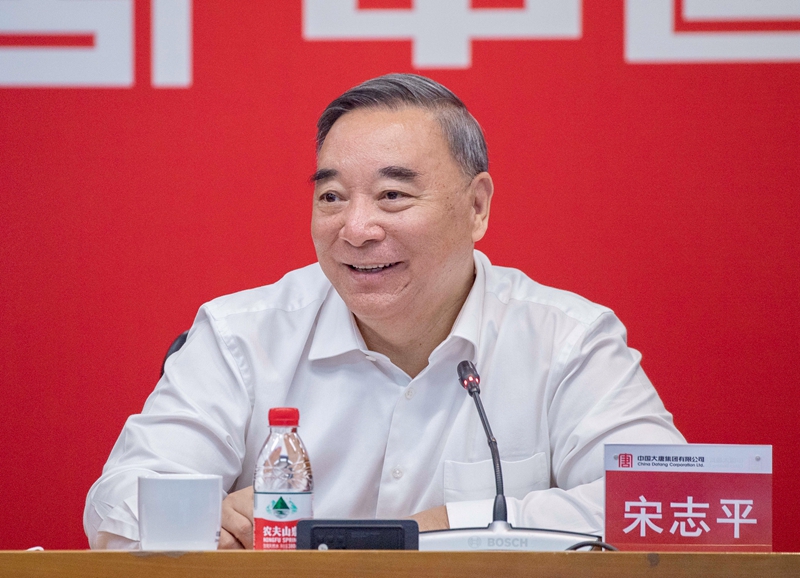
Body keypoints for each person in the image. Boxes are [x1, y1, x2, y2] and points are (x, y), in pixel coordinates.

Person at [84, 73, 685, 549]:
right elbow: (118, 504)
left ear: (476, 207)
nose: (356, 229)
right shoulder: (241, 337)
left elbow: (669, 501)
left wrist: (451, 527)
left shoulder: (567, 340)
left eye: (392, 195)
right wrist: (199, 519)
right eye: (331, 197)